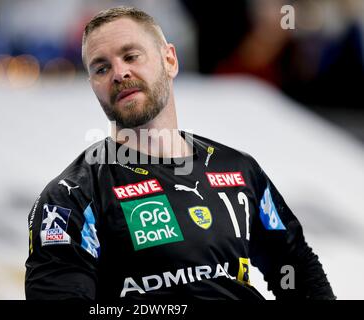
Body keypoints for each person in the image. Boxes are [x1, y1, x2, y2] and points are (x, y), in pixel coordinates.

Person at [25, 6, 335, 301]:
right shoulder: (72, 196)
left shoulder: (238, 169)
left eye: (131, 56)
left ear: (170, 60)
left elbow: (297, 267)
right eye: (102, 68)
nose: (119, 73)